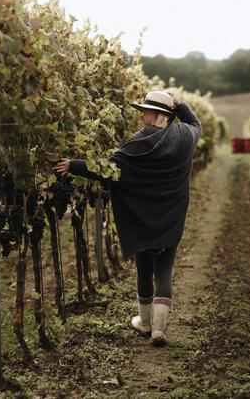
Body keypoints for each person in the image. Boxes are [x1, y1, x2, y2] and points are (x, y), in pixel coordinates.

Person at [52, 90, 201, 346]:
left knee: (144, 270)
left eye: (145, 110)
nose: (142, 114)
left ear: (156, 114)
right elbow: (195, 124)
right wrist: (180, 104)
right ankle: (159, 331)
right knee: (164, 272)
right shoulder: (184, 137)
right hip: (172, 217)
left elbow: (107, 170)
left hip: (141, 218)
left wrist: (73, 165)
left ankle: (144, 323)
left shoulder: (136, 144)